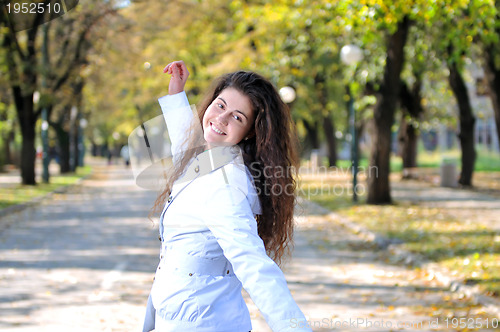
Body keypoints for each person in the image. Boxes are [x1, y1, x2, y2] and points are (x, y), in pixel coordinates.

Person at [143, 60, 311, 332]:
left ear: (250, 132)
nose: (221, 119)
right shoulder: (205, 159)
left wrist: (295, 328)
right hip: (182, 317)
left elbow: (253, 265)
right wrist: (176, 95)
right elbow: (186, 146)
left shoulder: (225, 184)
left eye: (237, 117)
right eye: (220, 105)